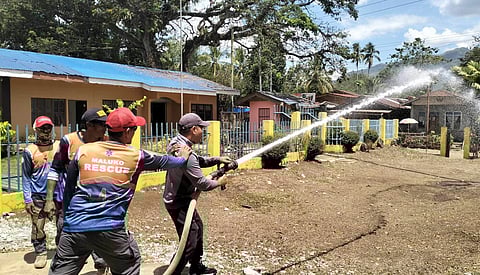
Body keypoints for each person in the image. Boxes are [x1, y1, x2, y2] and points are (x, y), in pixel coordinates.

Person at [49, 107, 192, 275]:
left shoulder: (83, 151)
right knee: (129, 265)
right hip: (110, 229)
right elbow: (168, 162)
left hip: (74, 227)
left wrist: (67, 220)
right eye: (135, 129)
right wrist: (183, 157)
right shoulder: (136, 156)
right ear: (127, 132)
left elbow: (69, 190)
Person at [163, 113, 235, 275]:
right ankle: (175, 270)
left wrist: (217, 159)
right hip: (178, 201)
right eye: (201, 128)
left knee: (196, 229)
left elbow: (197, 160)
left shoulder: (176, 144)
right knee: (190, 239)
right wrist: (220, 182)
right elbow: (202, 184)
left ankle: (196, 267)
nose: (203, 131)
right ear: (194, 129)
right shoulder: (185, 153)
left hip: (179, 198)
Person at [44, 107, 109, 274]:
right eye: (102, 125)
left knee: (101, 243)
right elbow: (55, 169)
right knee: (65, 241)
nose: (105, 128)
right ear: (89, 125)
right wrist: (49, 199)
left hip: (97, 204)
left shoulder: (106, 142)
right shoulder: (69, 141)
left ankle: (101, 268)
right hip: (70, 204)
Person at [22, 116, 59, 269]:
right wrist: (27, 198)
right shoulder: (29, 151)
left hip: (57, 195)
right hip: (37, 195)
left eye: (48, 127)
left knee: (63, 225)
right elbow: (25, 176)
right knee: (37, 227)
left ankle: (64, 253)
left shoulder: (58, 147)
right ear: (35, 130)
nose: (45, 130)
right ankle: (41, 253)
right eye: (42, 128)